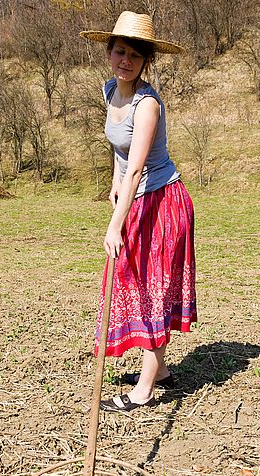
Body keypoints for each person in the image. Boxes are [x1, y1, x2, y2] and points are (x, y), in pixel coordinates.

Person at [79, 11, 197, 412]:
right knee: (136, 282)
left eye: (134, 55)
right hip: (136, 197)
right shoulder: (110, 90)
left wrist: (115, 225)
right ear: (109, 53)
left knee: (153, 290)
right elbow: (120, 153)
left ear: (145, 61)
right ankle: (160, 371)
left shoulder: (147, 105)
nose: (125, 61)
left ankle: (144, 391)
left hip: (163, 202)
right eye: (119, 52)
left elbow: (137, 168)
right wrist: (113, 181)